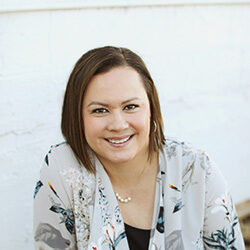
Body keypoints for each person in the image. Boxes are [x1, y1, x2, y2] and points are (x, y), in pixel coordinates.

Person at [33, 46, 245, 250]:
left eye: (130, 107)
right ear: (77, 116)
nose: (118, 124)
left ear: (151, 108)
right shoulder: (63, 168)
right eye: (99, 110)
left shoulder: (196, 169)